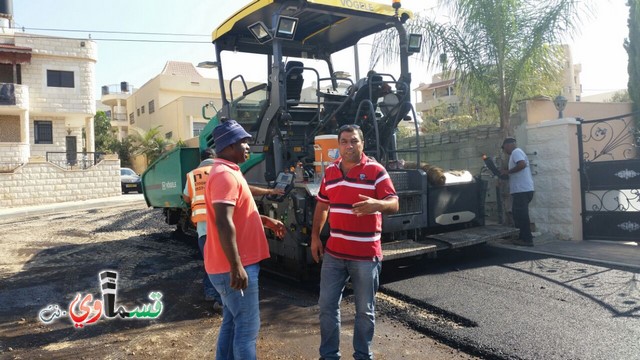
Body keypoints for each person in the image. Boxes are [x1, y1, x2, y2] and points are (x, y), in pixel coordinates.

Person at [310, 124, 399, 360]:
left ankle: (363, 355)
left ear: (362, 143)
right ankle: (329, 355)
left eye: (354, 141)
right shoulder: (330, 172)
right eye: (344, 141)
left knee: (364, 311)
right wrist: (315, 238)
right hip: (334, 254)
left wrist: (377, 205)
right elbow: (322, 205)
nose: (349, 146)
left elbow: (394, 202)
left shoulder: (376, 171)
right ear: (338, 145)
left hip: (365, 256)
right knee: (327, 307)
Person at [204, 119, 285, 359]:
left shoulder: (229, 172)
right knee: (247, 329)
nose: (248, 147)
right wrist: (236, 266)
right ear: (229, 147)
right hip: (234, 267)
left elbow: (238, 213)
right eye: (243, 142)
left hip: (231, 265)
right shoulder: (224, 176)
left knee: (232, 322)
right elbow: (223, 221)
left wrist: (265, 220)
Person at [182, 148, 223, 308]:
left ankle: (210, 293)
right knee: (223, 262)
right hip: (222, 224)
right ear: (215, 157)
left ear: (201, 159)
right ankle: (222, 297)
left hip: (203, 227)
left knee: (209, 262)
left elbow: (186, 197)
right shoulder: (222, 170)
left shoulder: (193, 174)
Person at [500, 137, 535, 246]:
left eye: (504, 148)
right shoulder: (515, 154)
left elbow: (522, 165)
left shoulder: (516, 152)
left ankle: (527, 239)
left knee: (521, 216)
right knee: (518, 214)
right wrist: (505, 174)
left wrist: (508, 171)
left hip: (522, 191)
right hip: (522, 190)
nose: (504, 151)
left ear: (508, 145)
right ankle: (521, 237)